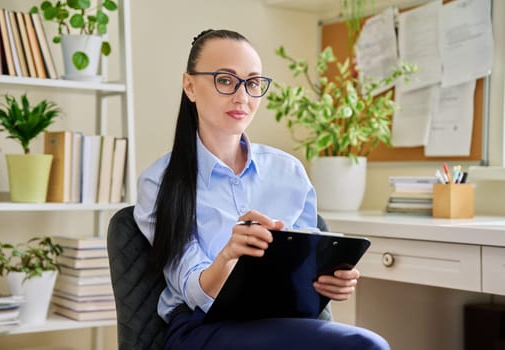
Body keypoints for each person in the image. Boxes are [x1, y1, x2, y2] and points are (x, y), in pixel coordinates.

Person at [134, 29, 390, 350]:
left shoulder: (289, 171)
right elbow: (192, 289)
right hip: (202, 328)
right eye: (225, 80)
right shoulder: (159, 181)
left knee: (362, 343)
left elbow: (305, 264)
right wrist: (228, 255)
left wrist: (328, 282)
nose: (242, 96)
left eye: (253, 83)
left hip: (283, 320)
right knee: (363, 346)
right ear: (190, 86)